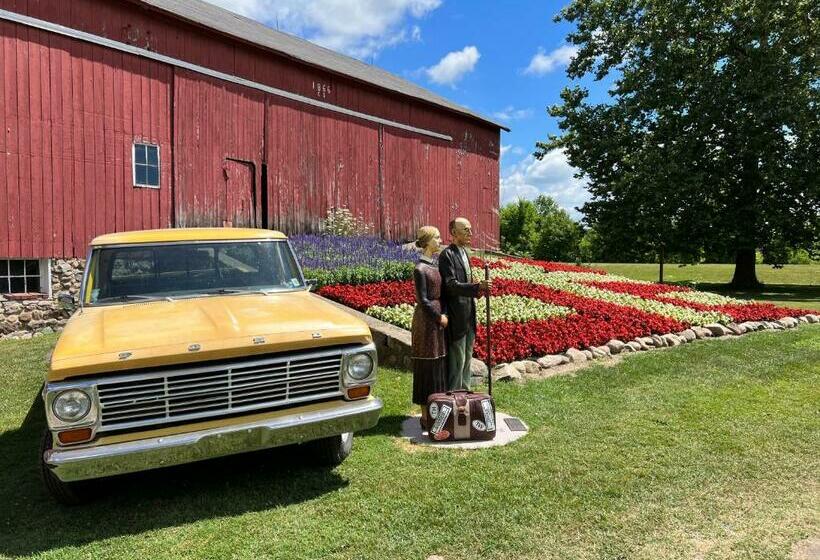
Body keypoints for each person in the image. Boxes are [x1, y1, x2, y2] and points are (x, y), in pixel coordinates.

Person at [438, 217, 491, 391]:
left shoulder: (464, 253)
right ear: (454, 233)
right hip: (456, 314)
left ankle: (466, 392)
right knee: (458, 359)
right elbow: (451, 285)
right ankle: (454, 395)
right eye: (466, 230)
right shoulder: (447, 255)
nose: (471, 233)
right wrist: (476, 286)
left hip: (469, 314)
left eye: (470, 229)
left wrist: (478, 290)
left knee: (468, 357)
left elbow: (465, 282)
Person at [410, 226, 449, 428]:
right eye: (437, 237)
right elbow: (423, 300)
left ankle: (437, 409)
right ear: (427, 241)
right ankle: (425, 415)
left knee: (437, 363)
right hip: (426, 322)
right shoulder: (420, 269)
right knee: (426, 364)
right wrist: (438, 317)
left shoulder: (433, 265)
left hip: (437, 319)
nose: (440, 240)